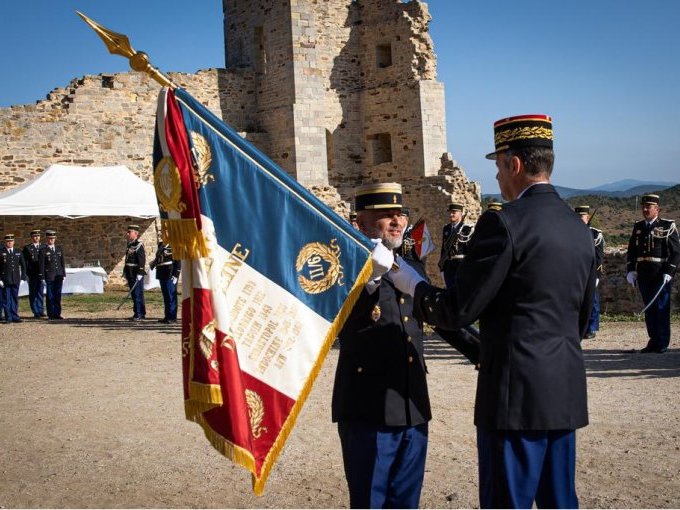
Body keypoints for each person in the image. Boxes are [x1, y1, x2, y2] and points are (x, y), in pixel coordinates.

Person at [388, 114, 595, 508]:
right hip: (563, 388)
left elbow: (459, 309)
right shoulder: (577, 227)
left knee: (507, 501)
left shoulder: (503, 224)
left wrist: (409, 282)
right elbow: (582, 319)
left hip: (514, 394)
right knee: (560, 501)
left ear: (514, 164)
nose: (498, 179)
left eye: (498, 167)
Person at [332, 182, 431, 509]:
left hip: (412, 403)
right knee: (370, 501)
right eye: (386, 216)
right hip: (368, 407)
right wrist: (369, 275)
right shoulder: (343, 269)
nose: (398, 222)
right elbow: (333, 320)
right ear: (361, 222)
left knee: (406, 502)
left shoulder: (411, 267)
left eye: (400, 215)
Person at [626, 194, 679, 353]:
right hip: (643, 273)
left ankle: (662, 342)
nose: (645, 209)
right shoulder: (638, 227)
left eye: (648, 206)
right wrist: (631, 270)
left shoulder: (667, 226)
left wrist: (669, 270)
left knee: (661, 307)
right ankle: (653, 340)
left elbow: (676, 252)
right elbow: (632, 251)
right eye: (644, 206)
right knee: (649, 308)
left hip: (660, 272)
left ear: (657, 209)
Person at [575, 206, 604, 338]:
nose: (580, 219)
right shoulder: (571, 233)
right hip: (576, 272)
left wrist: (597, 275)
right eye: (578, 216)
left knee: (592, 301)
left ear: (587, 217)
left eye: (582, 216)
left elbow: (599, 257)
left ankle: (591, 328)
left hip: (590, 272)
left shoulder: (595, 234)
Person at [438, 203, 474, 288]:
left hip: (461, 265)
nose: (451, 214)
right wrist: (442, 267)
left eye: (454, 212)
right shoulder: (446, 228)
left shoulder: (467, 229)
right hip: (448, 266)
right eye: (450, 212)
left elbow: (470, 251)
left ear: (460, 213)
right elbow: (444, 248)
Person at [150, 240, 181, 323]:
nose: (163, 234)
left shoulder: (175, 244)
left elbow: (178, 261)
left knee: (171, 296)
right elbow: (159, 257)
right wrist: (153, 263)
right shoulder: (161, 245)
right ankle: (167, 316)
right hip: (161, 272)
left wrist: (176, 274)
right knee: (166, 296)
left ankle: (172, 317)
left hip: (169, 273)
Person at [0, 234, 27, 323]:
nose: (9, 243)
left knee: (14, 298)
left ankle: (15, 316)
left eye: (11, 241)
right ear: (5, 242)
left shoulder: (18, 251)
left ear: (14, 242)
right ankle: (8, 317)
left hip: (15, 279)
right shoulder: (1, 252)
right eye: (8, 241)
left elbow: (23, 265)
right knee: (6, 299)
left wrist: (23, 277)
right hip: (5, 280)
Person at [40, 229, 66, 320]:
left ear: (55, 239)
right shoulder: (43, 250)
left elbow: (62, 263)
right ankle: (51, 314)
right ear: (46, 239)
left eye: (53, 238)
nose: (51, 240)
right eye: (49, 238)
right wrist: (42, 277)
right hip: (49, 276)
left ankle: (57, 313)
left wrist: (64, 274)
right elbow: (42, 265)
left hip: (58, 275)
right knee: (50, 295)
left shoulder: (59, 249)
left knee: (58, 295)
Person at [124, 224, 146, 321]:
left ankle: (140, 313)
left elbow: (141, 260)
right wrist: (125, 271)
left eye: (129, 232)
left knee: (138, 293)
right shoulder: (130, 245)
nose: (127, 233)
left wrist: (140, 272)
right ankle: (137, 312)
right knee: (134, 294)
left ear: (136, 233)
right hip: (130, 272)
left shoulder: (139, 245)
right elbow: (127, 259)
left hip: (136, 272)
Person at [23, 229, 46, 318]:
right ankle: (35, 310)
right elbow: (24, 262)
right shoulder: (28, 248)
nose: (36, 238)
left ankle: (40, 310)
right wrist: (25, 274)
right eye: (34, 236)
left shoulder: (44, 246)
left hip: (41, 273)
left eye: (38, 236)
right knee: (33, 292)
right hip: (32, 273)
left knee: (40, 292)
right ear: (32, 237)